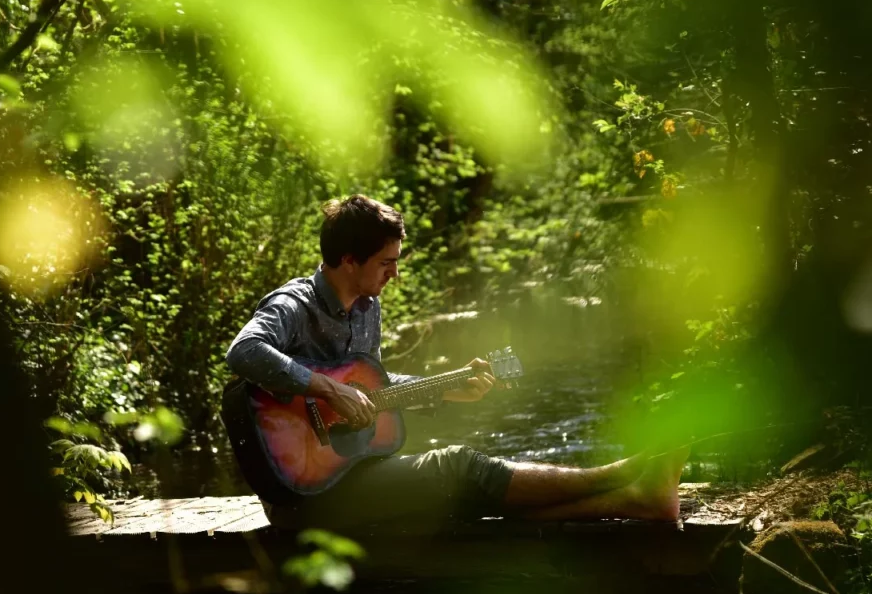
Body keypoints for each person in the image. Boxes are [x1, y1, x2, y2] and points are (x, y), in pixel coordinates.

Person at [225, 195, 688, 529]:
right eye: (387, 263)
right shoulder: (294, 304)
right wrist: (326, 389)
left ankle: (636, 502)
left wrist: (445, 387)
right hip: (305, 495)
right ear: (349, 259)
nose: (395, 273)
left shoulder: (367, 308)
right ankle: (621, 474)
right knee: (457, 467)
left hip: (348, 472)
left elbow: (372, 386)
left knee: (464, 499)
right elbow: (243, 351)